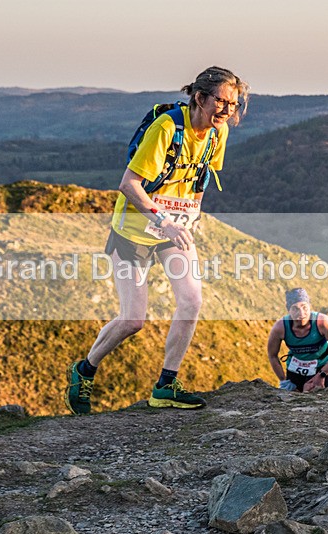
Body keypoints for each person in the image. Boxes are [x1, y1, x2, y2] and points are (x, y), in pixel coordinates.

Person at [66, 66, 249, 414]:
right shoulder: (166, 128)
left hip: (173, 231)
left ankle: (166, 385)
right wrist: (164, 220)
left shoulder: (217, 133)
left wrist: (189, 218)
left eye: (234, 104)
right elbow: (129, 184)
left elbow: (200, 178)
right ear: (200, 98)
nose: (227, 111)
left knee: (191, 301)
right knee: (133, 320)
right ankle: (85, 369)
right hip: (133, 231)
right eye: (222, 102)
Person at [267, 288, 328, 392]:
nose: (301, 313)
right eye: (295, 309)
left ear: (310, 306)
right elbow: (272, 355)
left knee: (314, 397)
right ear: (288, 310)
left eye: (304, 307)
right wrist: (283, 381)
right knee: (295, 399)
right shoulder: (280, 327)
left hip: (322, 367)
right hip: (296, 368)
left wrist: (321, 375)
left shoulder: (322, 322)